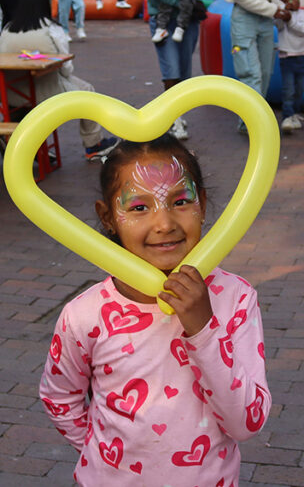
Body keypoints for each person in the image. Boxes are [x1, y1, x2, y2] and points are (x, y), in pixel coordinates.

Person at [39, 134, 271, 485]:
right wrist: (103, 453)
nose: (164, 224)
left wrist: (204, 328)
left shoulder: (235, 298)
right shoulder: (85, 315)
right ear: (108, 218)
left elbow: (247, 423)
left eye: (180, 201)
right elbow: (60, 396)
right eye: (139, 207)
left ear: (202, 204)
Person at [0, 0, 118, 161]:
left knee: (23, 106)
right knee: (89, 93)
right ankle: (93, 145)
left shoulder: (7, 30)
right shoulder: (52, 29)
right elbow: (66, 68)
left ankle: (10, 136)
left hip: (11, 94)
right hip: (46, 92)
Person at [140, 0, 206, 140]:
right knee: (171, 70)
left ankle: (177, 115)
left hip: (188, 21)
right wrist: (177, 3)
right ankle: (174, 119)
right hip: (165, 20)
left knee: (185, 72)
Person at [224, 0, 290, 132]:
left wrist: (280, 7)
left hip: (265, 21)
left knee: (265, 74)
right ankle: (255, 124)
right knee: (250, 73)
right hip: (244, 20)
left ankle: (249, 122)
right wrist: (274, 9)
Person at [273, 0, 304, 134]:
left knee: (299, 88)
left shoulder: (303, 14)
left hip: (302, 56)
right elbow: (279, 26)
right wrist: (284, 16)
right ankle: (287, 116)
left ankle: (295, 113)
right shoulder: (281, 16)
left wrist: (291, 20)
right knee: (288, 89)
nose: (295, 0)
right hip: (286, 57)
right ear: (282, 1)